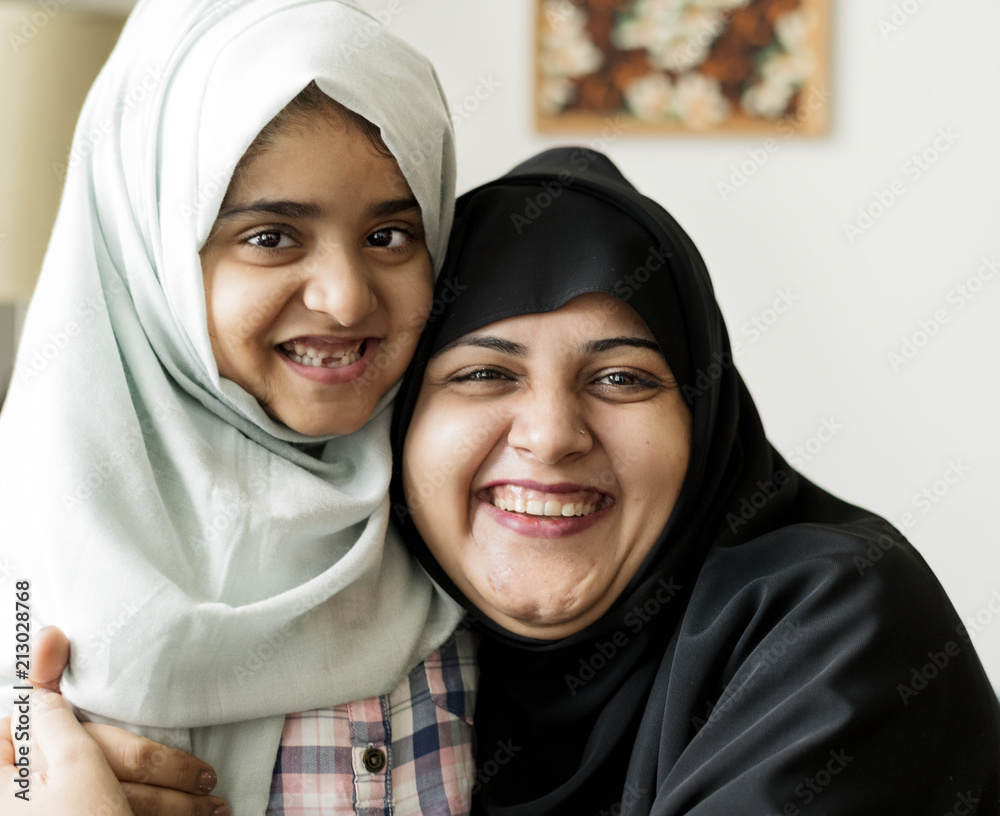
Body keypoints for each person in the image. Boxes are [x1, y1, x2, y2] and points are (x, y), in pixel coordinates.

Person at [388, 146, 1000, 814]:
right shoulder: (354, 642)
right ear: (399, 421)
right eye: (485, 375)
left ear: (704, 421)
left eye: (622, 378)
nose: (552, 434)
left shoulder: (838, 616)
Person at [0, 1, 473, 814]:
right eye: (270, 237)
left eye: (391, 236)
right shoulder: (26, 560)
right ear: (155, 257)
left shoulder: (470, 511)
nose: (344, 297)